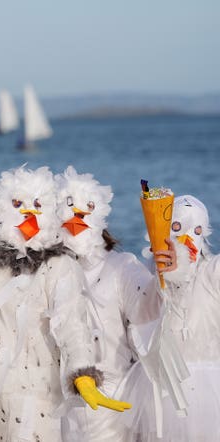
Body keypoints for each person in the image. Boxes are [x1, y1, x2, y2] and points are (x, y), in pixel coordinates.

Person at [0, 165, 131, 442]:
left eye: (38, 205)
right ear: (3, 208)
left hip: (35, 399)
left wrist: (83, 373)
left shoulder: (58, 266)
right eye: (18, 204)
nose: (29, 212)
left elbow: (72, 324)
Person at [55, 166, 176, 441]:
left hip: (112, 408)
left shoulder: (120, 267)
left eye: (87, 209)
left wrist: (164, 273)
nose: (78, 217)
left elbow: (149, 309)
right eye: (69, 207)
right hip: (57, 412)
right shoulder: (44, 272)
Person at [132, 195, 219, 441]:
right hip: (161, 391)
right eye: (178, 227)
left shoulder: (213, 272)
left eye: (197, 230)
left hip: (209, 392)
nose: (187, 238)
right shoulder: (147, 275)